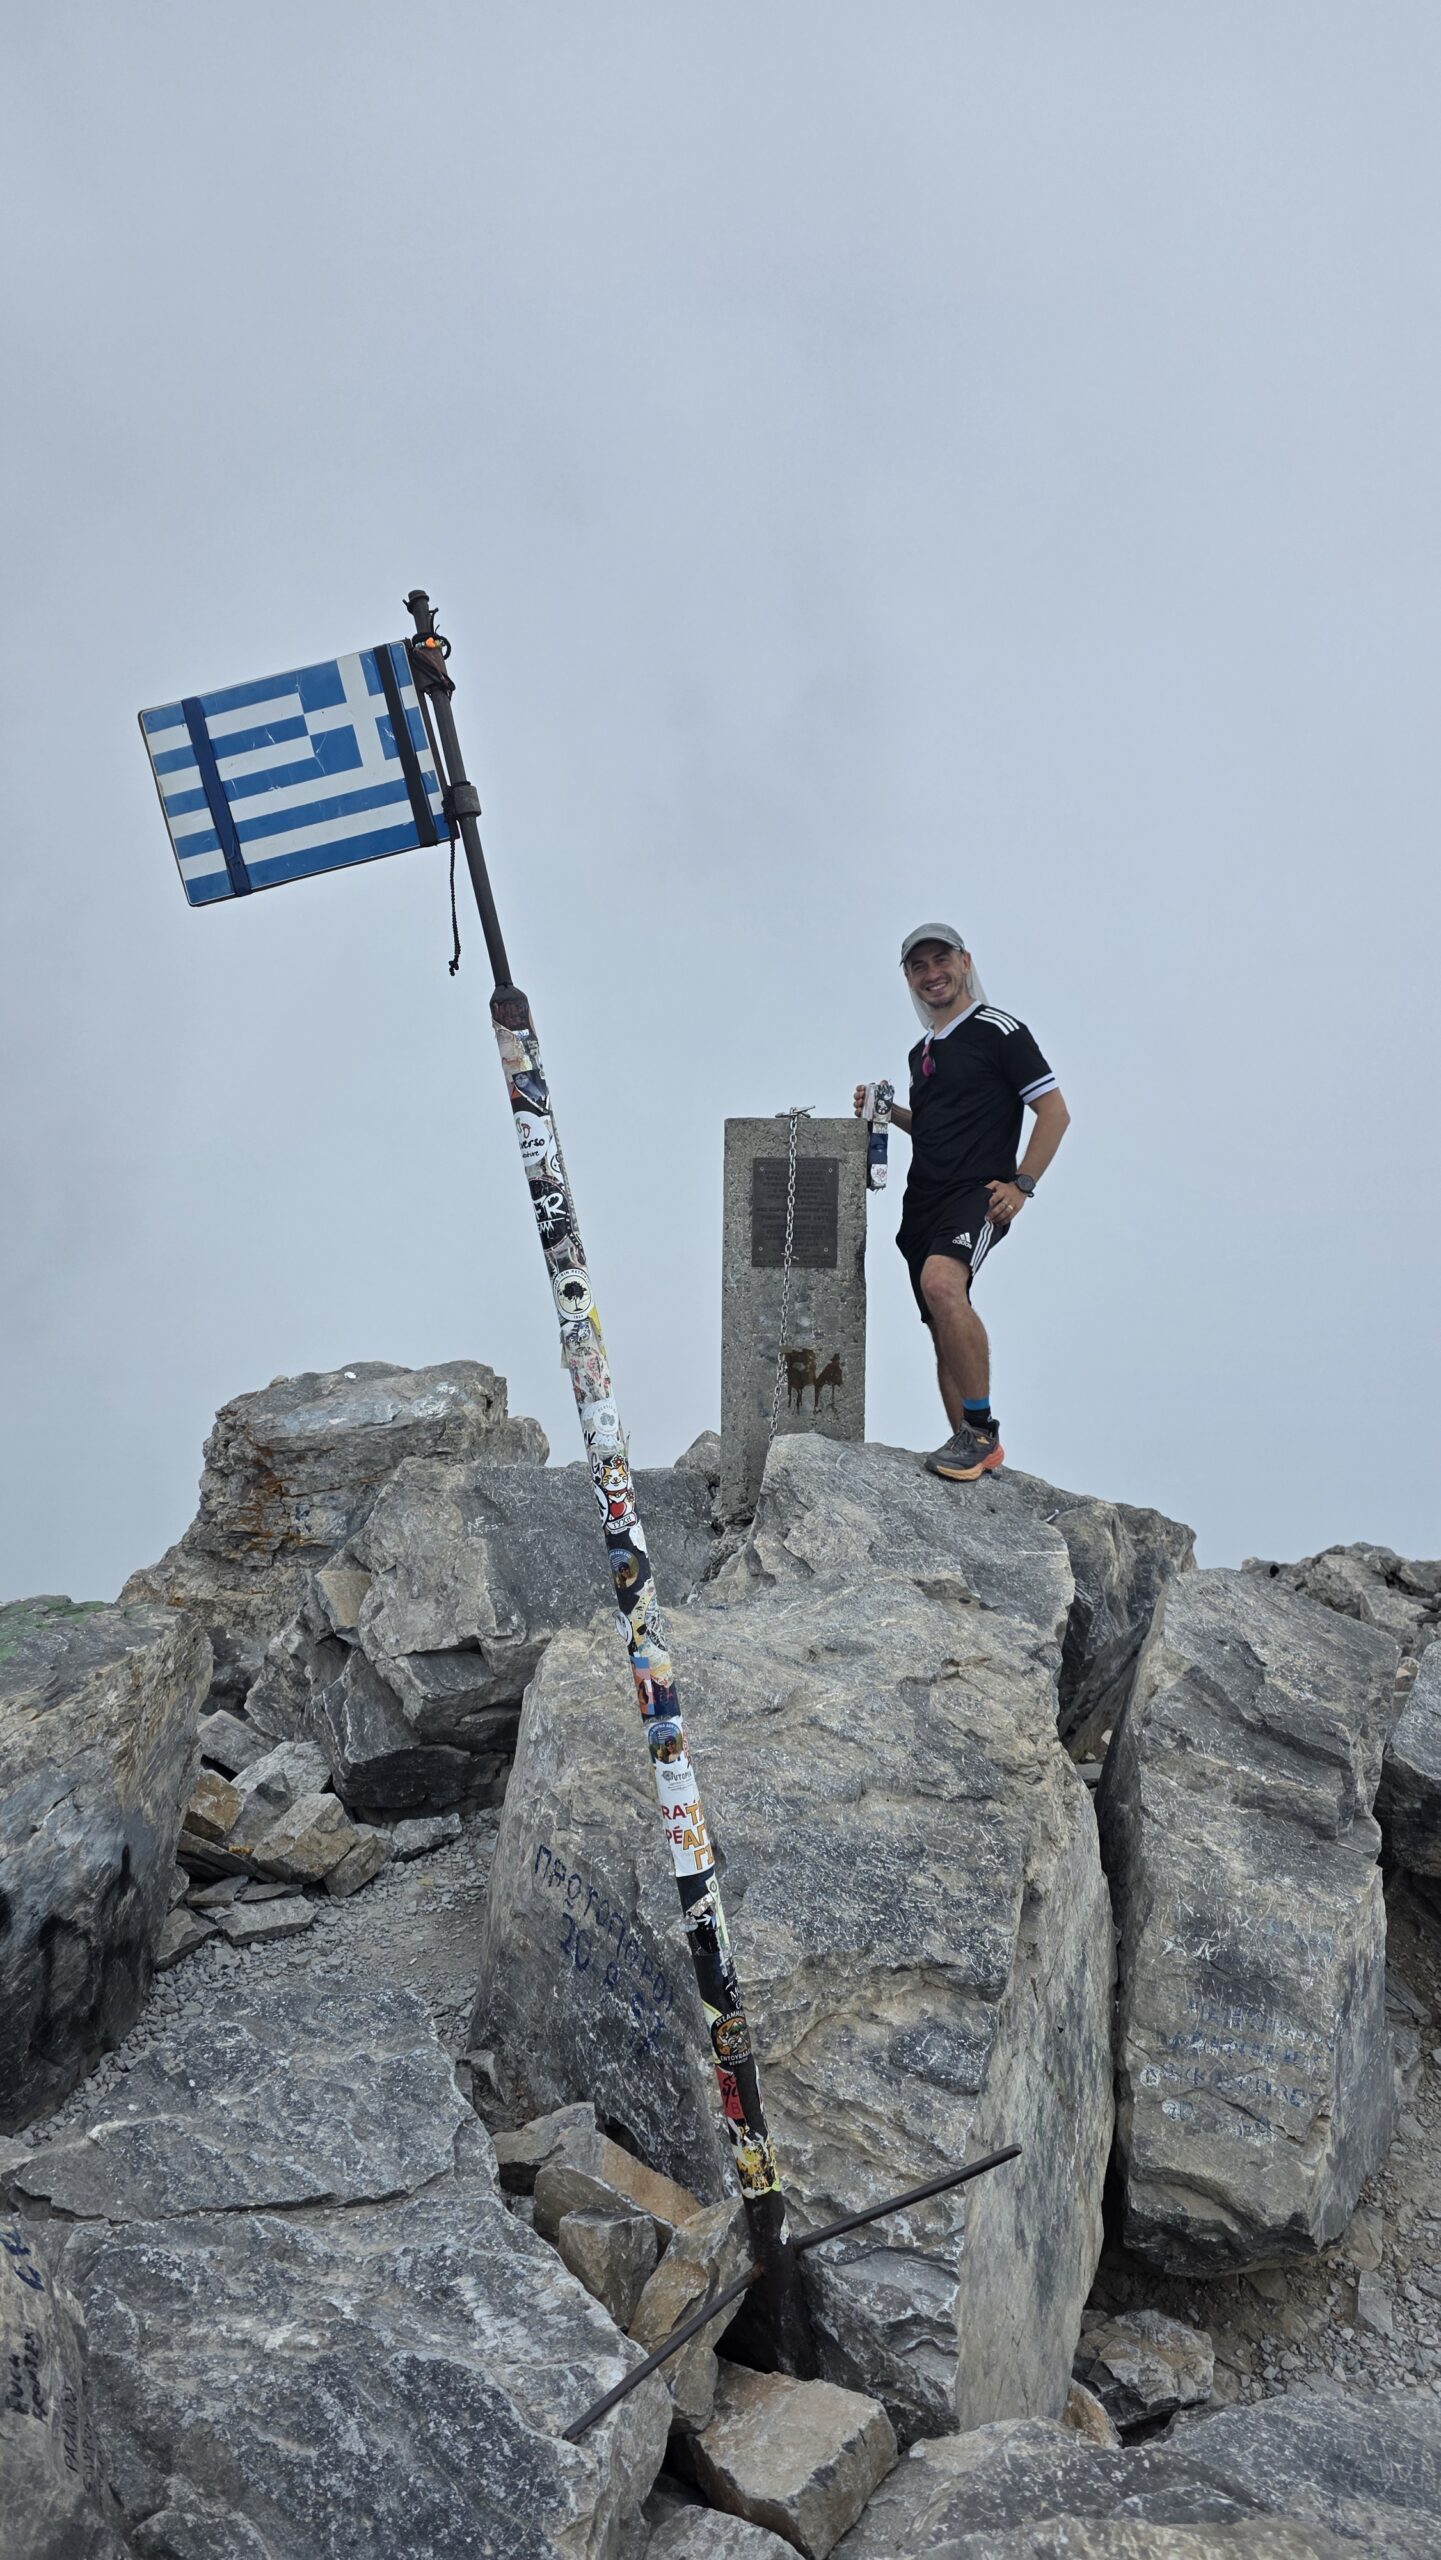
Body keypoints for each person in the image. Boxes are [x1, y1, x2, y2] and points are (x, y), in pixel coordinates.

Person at [855, 922, 1070, 1481]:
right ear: (907, 977)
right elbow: (930, 1128)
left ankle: (981, 1432)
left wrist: (1021, 1184)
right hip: (921, 1201)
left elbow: (1054, 1111)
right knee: (939, 1322)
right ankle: (969, 1455)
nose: (932, 974)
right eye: (918, 966)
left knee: (942, 1285)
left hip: (978, 1194)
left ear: (965, 961)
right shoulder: (920, 1051)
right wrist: (887, 1112)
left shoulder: (999, 1029)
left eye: (941, 960)